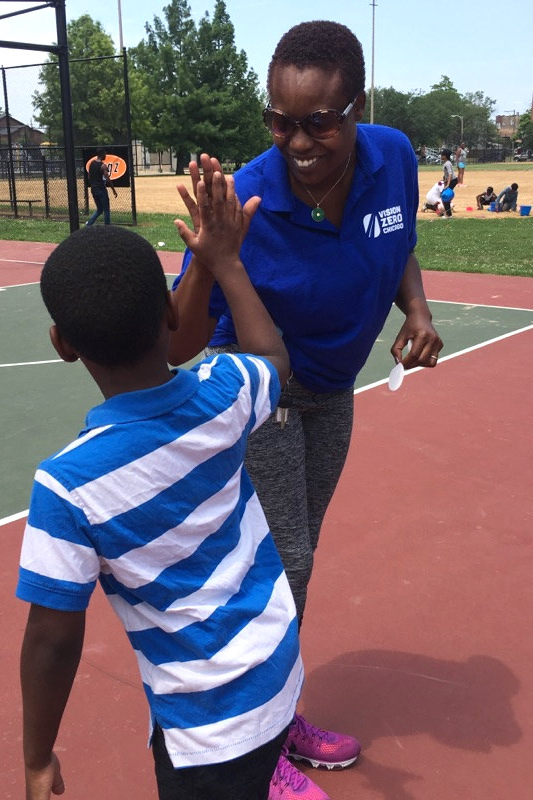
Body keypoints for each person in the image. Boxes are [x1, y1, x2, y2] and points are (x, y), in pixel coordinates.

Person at [169, 20, 443, 800]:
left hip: (330, 394)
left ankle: (277, 717)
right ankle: (252, 754)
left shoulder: (392, 155)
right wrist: (212, 258)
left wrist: (414, 312)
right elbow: (180, 341)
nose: (297, 140)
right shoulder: (249, 195)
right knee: (284, 563)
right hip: (256, 388)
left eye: (318, 121)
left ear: (357, 107)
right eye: (280, 120)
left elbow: (398, 240)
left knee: (296, 564)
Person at [17, 174, 306, 800]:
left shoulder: (67, 487)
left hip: (204, 725)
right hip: (277, 669)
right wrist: (225, 261)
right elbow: (274, 360)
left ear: (63, 345)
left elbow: (51, 639)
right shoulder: (225, 392)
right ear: (172, 311)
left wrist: (37, 755)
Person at [85, 147, 117, 225]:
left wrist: (93, 184)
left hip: (93, 189)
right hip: (101, 190)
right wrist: (113, 190)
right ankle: (107, 227)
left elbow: (89, 177)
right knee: (106, 210)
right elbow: (108, 179)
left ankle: (89, 223)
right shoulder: (103, 166)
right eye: (105, 153)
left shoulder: (92, 163)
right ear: (102, 154)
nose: (105, 155)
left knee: (99, 209)